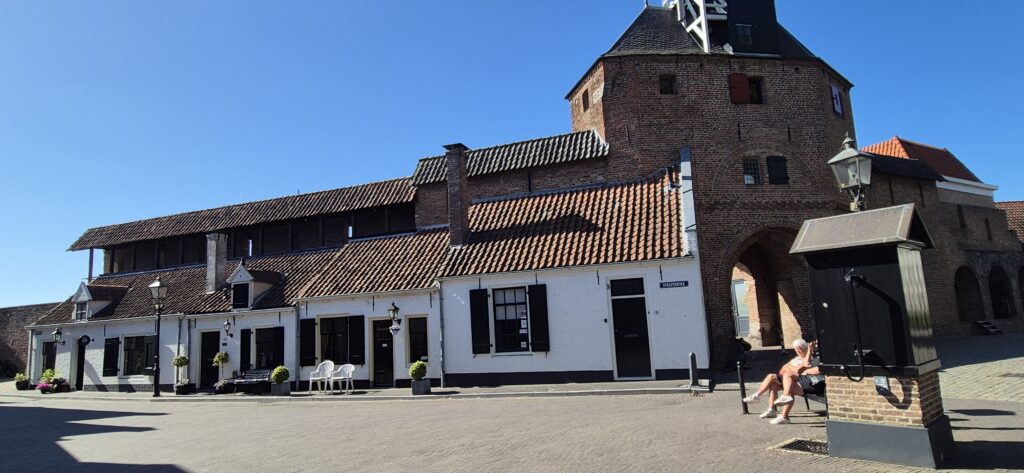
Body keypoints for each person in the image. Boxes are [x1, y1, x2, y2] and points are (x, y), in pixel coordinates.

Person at [742, 338, 822, 424]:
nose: (797, 351)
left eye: (799, 349)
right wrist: (794, 369)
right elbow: (783, 369)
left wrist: (794, 369)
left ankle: (759, 397)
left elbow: (802, 369)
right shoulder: (797, 358)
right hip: (790, 379)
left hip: (799, 380)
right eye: (796, 349)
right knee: (774, 385)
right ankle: (771, 409)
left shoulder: (810, 358)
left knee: (773, 377)